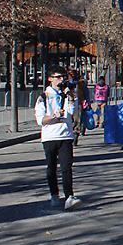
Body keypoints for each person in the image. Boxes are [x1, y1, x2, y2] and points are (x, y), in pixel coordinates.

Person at [35, 67, 81, 211]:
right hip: (50, 137)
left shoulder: (67, 95)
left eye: (63, 77)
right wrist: (54, 116)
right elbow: (40, 120)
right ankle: (54, 194)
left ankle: (69, 197)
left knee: (67, 167)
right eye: (58, 77)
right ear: (50, 79)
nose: (61, 80)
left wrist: (71, 96)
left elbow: (72, 112)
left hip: (65, 136)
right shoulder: (44, 96)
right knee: (52, 168)